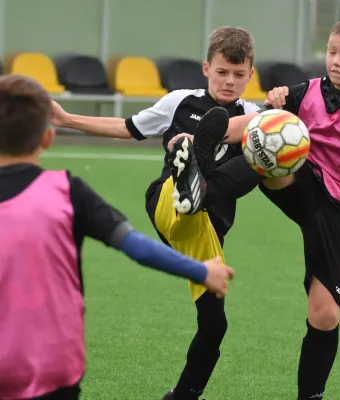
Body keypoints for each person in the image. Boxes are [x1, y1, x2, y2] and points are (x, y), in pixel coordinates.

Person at [50, 27, 264, 399]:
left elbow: (285, 129)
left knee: (214, 326)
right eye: (222, 72)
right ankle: (188, 174)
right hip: (166, 203)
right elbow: (127, 127)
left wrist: (274, 114)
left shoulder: (256, 116)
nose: (230, 82)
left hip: (205, 227)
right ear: (206, 68)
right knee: (183, 177)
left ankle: (183, 395)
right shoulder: (180, 102)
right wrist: (67, 119)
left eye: (239, 74)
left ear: (250, 73)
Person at [0, 74, 235, 400]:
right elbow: (135, 246)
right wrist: (202, 271)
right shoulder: (68, 192)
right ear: (47, 138)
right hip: (53, 364)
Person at [216, 15, 340, 399]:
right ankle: (206, 183)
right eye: (332, 51)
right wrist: (203, 134)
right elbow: (255, 121)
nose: (335, 60)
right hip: (305, 185)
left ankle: (309, 395)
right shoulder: (306, 90)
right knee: (267, 135)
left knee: (324, 315)